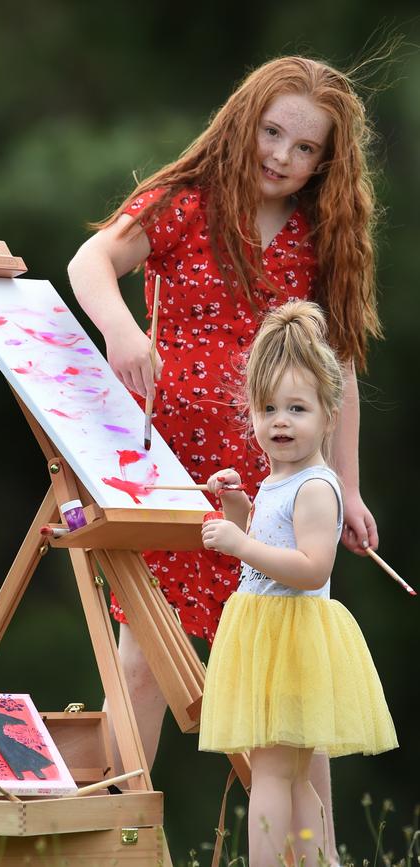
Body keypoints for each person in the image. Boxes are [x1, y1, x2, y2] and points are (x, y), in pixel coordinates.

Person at [68, 55, 382, 861]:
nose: (281, 155)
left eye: (305, 147)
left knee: (290, 694)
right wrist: (125, 332)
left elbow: (339, 360)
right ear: (244, 120)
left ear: (326, 163)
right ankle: (115, 845)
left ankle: (318, 854)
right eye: (272, 131)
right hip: (172, 476)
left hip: (272, 492)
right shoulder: (187, 203)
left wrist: (345, 483)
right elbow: (89, 261)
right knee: (143, 664)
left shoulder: (318, 236)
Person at [199, 300, 397, 865]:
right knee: (284, 772)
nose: (280, 421)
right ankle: (316, 860)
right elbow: (261, 553)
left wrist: (241, 543)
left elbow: (313, 568)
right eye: (267, 408)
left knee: (272, 770)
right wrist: (237, 508)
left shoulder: (317, 487)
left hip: (292, 639)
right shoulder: (273, 482)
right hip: (266, 635)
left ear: (329, 417)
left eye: (297, 408)